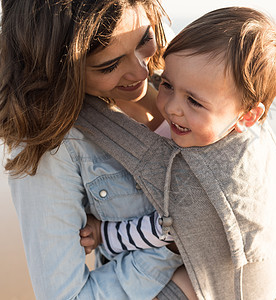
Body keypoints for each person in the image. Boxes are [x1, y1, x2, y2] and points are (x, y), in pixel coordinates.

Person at [77, 6, 276, 299]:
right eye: (167, 84)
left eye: (194, 101)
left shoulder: (218, 169)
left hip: (233, 283)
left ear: (248, 117)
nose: (172, 107)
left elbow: (168, 232)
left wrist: (105, 235)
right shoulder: (218, 118)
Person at [0, 0, 191, 299]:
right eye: (109, 65)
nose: (141, 72)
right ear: (58, 67)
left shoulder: (187, 85)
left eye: (145, 40)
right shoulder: (50, 145)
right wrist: (176, 244)